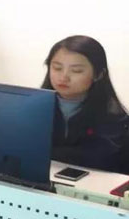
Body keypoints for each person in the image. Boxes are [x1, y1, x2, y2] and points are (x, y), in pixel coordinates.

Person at [42, 36, 129, 172]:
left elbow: (94, 159)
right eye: (57, 68)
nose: (64, 77)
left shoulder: (113, 115)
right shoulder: (36, 107)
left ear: (98, 74)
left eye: (76, 70)